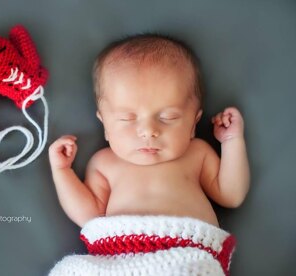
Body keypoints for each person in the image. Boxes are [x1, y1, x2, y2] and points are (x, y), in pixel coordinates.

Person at [48, 34, 250, 275]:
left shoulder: (196, 154)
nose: (148, 131)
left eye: (168, 118)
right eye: (127, 118)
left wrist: (231, 141)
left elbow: (232, 194)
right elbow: (89, 216)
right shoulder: (104, 163)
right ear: (105, 125)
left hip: (187, 258)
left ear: (193, 123)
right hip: (115, 259)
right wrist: (62, 172)